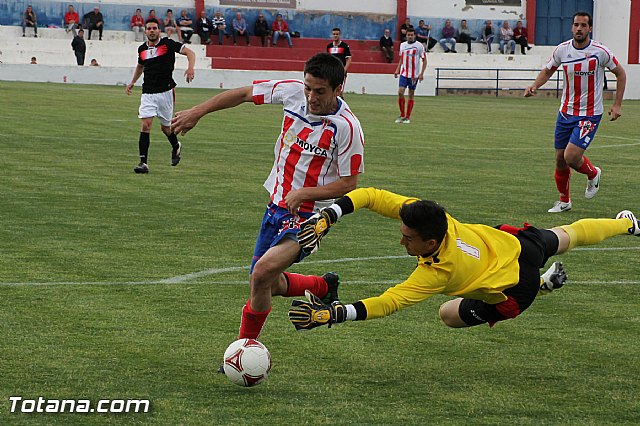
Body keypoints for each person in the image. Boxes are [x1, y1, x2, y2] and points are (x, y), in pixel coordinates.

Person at [170, 53, 365, 361]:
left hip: (311, 218)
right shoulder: (291, 93)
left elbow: (349, 184)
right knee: (265, 284)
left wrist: (305, 193)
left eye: (320, 91)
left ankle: (242, 352)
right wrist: (198, 111)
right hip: (276, 207)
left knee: (260, 275)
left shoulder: (347, 128)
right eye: (308, 88)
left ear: (339, 88)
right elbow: (245, 93)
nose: (311, 97)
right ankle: (322, 286)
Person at [288, 187, 640, 331]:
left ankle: (544, 286)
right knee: (570, 234)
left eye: (408, 239)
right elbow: (372, 196)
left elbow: (388, 302)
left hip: (516, 290)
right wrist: (329, 214)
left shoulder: (437, 275)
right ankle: (627, 224)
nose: (401, 240)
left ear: (430, 241)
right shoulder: (439, 218)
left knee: (447, 315)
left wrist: (335, 313)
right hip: (518, 246)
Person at [524, 11, 627, 213]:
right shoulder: (562, 50)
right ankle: (564, 201)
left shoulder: (600, 52)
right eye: (576, 25)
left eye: (583, 25)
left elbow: (620, 74)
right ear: (572, 27)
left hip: (590, 113)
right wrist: (534, 85)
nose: (579, 28)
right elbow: (547, 70)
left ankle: (593, 174)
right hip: (566, 112)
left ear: (589, 29)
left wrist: (617, 105)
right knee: (560, 159)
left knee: (571, 156)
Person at [125, 18, 196, 174]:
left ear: (159, 30)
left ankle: (176, 145)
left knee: (166, 128)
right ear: (145, 31)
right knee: (146, 125)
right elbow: (140, 66)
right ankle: (143, 163)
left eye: (155, 28)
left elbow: (190, 52)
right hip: (148, 93)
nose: (152, 30)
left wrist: (190, 68)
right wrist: (132, 82)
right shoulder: (142, 49)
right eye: (149, 28)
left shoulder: (167, 44)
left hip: (166, 93)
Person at [393, 28, 426, 124]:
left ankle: (407, 117)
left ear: (414, 35)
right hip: (404, 74)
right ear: (406, 35)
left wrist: (421, 73)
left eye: (412, 35)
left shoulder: (419, 46)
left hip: (413, 76)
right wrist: (397, 69)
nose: (410, 36)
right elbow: (401, 58)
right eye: (408, 35)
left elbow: (424, 60)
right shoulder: (402, 45)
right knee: (400, 92)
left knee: (411, 95)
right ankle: (402, 114)